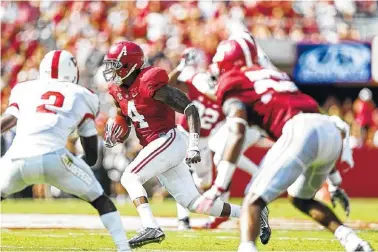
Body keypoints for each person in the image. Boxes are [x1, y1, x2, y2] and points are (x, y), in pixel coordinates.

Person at [195, 38, 373, 252]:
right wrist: (334, 182)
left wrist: (220, 186)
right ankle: (354, 242)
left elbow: (237, 130)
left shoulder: (235, 80)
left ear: (229, 62)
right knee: (300, 198)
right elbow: (317, 130)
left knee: (252, 200)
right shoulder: (273, 74)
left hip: (299, 129)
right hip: (327, 129)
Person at [102, 41, 241, 249]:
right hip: (157, 144)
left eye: (115, 65)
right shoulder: (117, 90)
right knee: (193, 203)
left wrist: (193, 144)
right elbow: (126, 116)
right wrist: (117, 131)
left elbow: (190, 108)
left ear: (129, 64)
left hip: (168, 139)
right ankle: (248, 212)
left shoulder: (150, 82)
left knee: (130, 176)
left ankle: (151, 226)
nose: (111, 70)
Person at [0, 50, 130, 252]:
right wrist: (80, 163)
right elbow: (91, 149)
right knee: (100, 199)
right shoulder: (82, 94)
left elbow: (9, 120)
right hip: (55, 158)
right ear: (72, 71)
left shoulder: (23, 89)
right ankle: (124, 248)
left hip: (16, 159)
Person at [168, 48, 271, 244]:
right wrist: (182, 66)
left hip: (203, 142)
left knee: (202, 184)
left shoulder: (225, 100)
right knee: (184, 178)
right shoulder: (196, 85)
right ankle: (182, 219)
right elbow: (169, 84)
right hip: (184, 135)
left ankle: (218, 211)